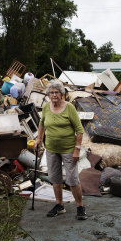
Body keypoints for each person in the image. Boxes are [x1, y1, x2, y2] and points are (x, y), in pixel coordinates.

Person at [35, 79, 87, 220]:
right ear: (48, 94)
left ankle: (80, 207)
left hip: (68, 149)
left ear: (62, 93)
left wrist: (77, 149)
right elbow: (41, 124)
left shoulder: (69, 107)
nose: (54, 95)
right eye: (51, 92)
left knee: (72, 178)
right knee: (55, 177)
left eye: (56, 92)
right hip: (51, 148)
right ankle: (59, 205)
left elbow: (79, 130)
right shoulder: (46, 107)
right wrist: (39, 139)